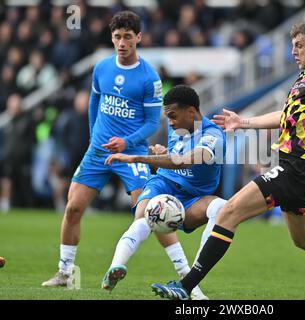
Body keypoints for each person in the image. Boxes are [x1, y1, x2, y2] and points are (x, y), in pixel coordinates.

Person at [151, 18, 305, 300]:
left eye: (299, 45)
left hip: (293, 168)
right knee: (304, 239)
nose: (294, 51)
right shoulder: (304, 78)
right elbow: (285, 116)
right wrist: (244, 122)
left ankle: (186, 286)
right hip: (297, 172)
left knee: (229, 212)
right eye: (293, 46)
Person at [42, 11, 200, 295]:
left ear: (138, 37)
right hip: (98, 152)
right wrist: (94, 137)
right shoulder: (102, 67)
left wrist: (126, 144)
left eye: (128, 37)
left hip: (132, 155)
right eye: (117, 37)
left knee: (153, 212)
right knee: (73, 207)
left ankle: (187, 277)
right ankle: (65, 272)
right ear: (112, 38)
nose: (122, 42)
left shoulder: (148, 78)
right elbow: (94, 101)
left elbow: (153, 123)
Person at [101, 85, 226, 300]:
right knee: (144, 215)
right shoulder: (177, 127)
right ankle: (115, 268)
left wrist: (136, 157)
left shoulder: (213, 135)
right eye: (167, 117)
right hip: (164, 184)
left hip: (193, 197)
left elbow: (184, 161)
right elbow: (177, 158)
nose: (169, 122)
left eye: (173, 116)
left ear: (191, 112)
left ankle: (192, 278)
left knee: (221, 208)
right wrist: (165, 154)